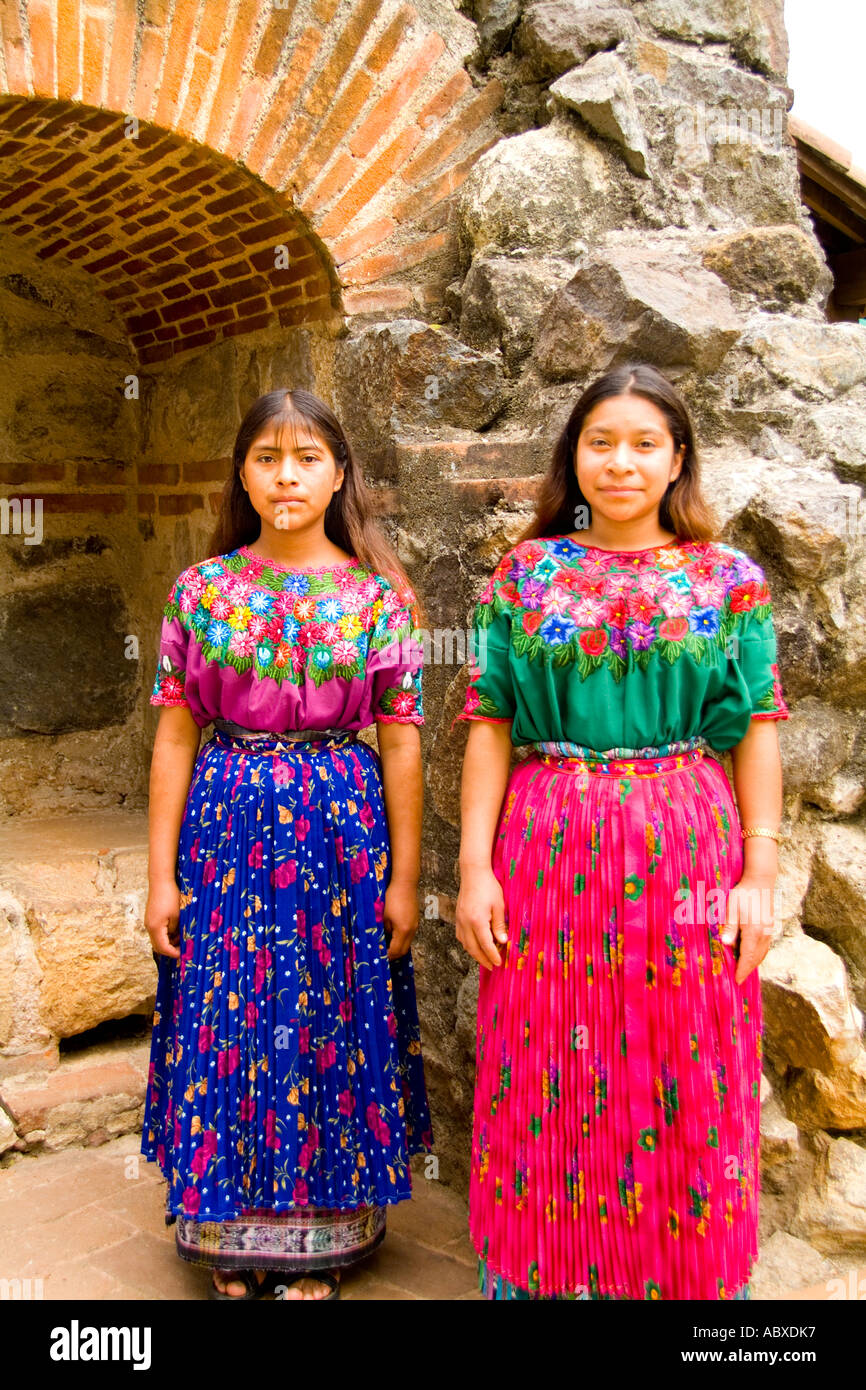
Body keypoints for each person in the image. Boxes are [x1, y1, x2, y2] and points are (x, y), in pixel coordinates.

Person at [454, 363, 788, 1300]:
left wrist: (760, 867)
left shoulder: (729, 580)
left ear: (678, 458)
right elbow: (489, 723)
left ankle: (682, 1283)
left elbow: (759, 725)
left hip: (689, 843)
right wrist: (474, 868)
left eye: (646, 444)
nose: (622, 463)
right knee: (545, 1052)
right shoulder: (528, 573)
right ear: (574, 457)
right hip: (547, 844)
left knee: (688, 1057)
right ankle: (545, 1275)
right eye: (601, 442)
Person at [142, 387, 433, 1300]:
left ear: (339, 473)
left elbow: (402, 736)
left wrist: (407, 877)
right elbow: (175, 734)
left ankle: (324, 1241)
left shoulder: (379, 598)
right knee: (227, 1010)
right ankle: (230, 1235)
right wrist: (159, 879)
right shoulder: (203, 589)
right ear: (243, 474)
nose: (286, 475)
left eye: (307, 457)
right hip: (225, 827)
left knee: (326, 1014)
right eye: (267, 458)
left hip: (341, 835)